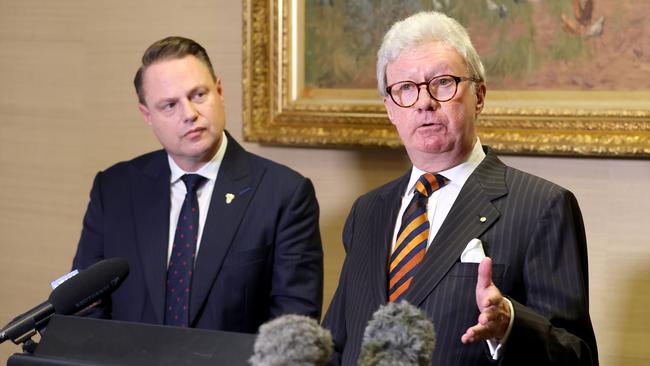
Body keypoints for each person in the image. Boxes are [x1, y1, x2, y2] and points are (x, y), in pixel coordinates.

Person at [322, 11, 598, 365]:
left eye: (443, 83)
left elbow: (579, 357)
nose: (424, 102)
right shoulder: (367, 210)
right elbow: (337, 344)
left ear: (479, 96)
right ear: (390, 109)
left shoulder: (542, 207)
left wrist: (511, 325)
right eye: (405, 89)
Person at [72, 36, 323, 332]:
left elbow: (292, 330)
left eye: (199, 95)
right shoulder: (113, 189)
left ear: (219, 91)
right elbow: (83, 308)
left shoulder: (285, 194)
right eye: (169, 105)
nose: (190, 114)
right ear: (147, 116)